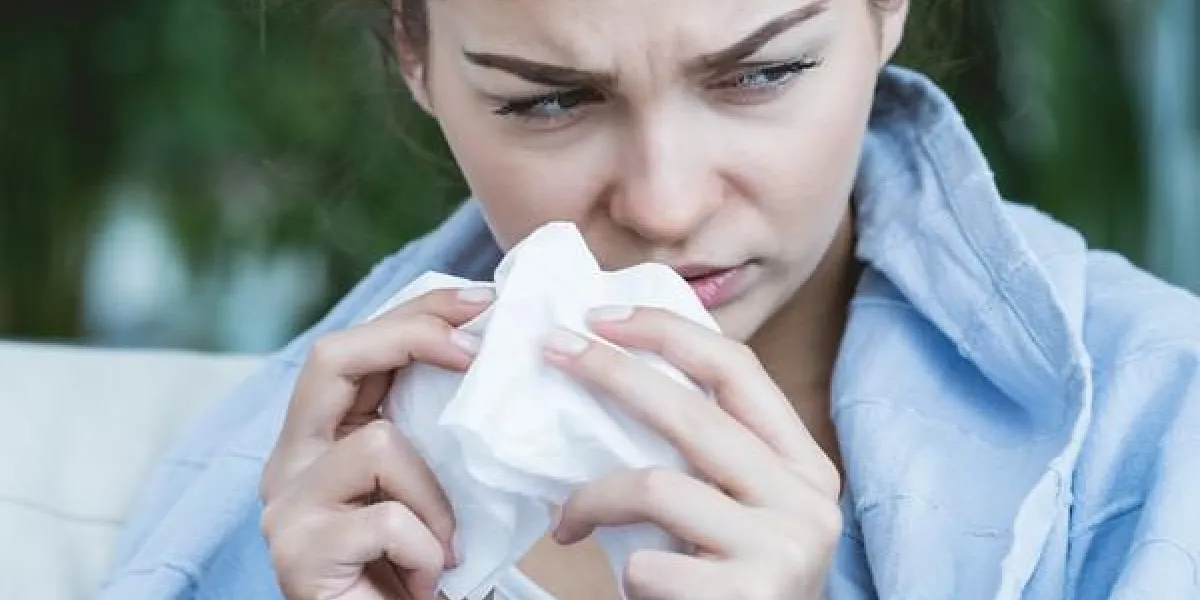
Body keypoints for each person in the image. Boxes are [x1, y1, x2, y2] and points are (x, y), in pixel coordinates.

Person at [100, 0, 1200, 598]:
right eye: (549, 101)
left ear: (885, 11)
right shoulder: (263, 495)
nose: (667, 205)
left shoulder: (1160, 430)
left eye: (761, 73)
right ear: (417, 58)